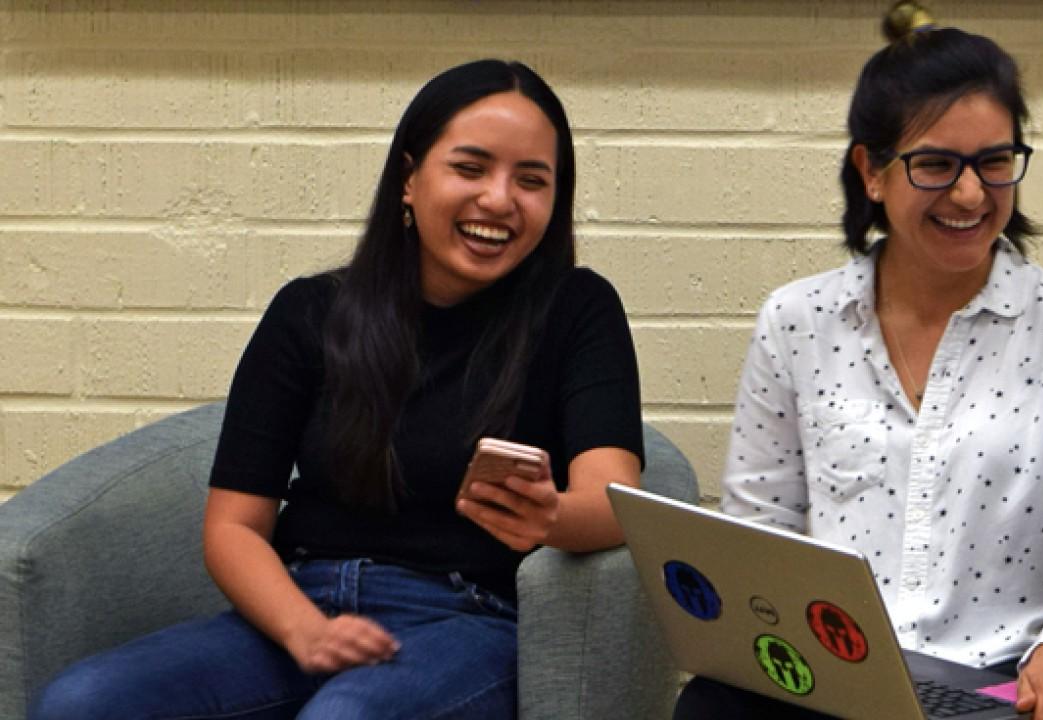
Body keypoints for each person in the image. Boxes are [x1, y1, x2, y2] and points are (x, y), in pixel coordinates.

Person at [31, 59, 645, 720]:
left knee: (345, 715)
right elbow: (234, 527)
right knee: (81, 701)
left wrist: (551, 517)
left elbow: (616, 502)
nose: (499, 199)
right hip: (301, 602)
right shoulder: (309, 312)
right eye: (470, 168)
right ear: (409, 179)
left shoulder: (577, 309)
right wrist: (306, 631)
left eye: (531, 180)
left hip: (466, 619)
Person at [674, 3, 1043, 719]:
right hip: (836, 671)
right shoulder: (797, 322)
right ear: (872, 172)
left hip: (1004, 679)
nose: (971, 194)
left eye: (994, 162)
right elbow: (759, 532)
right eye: (935, 165)